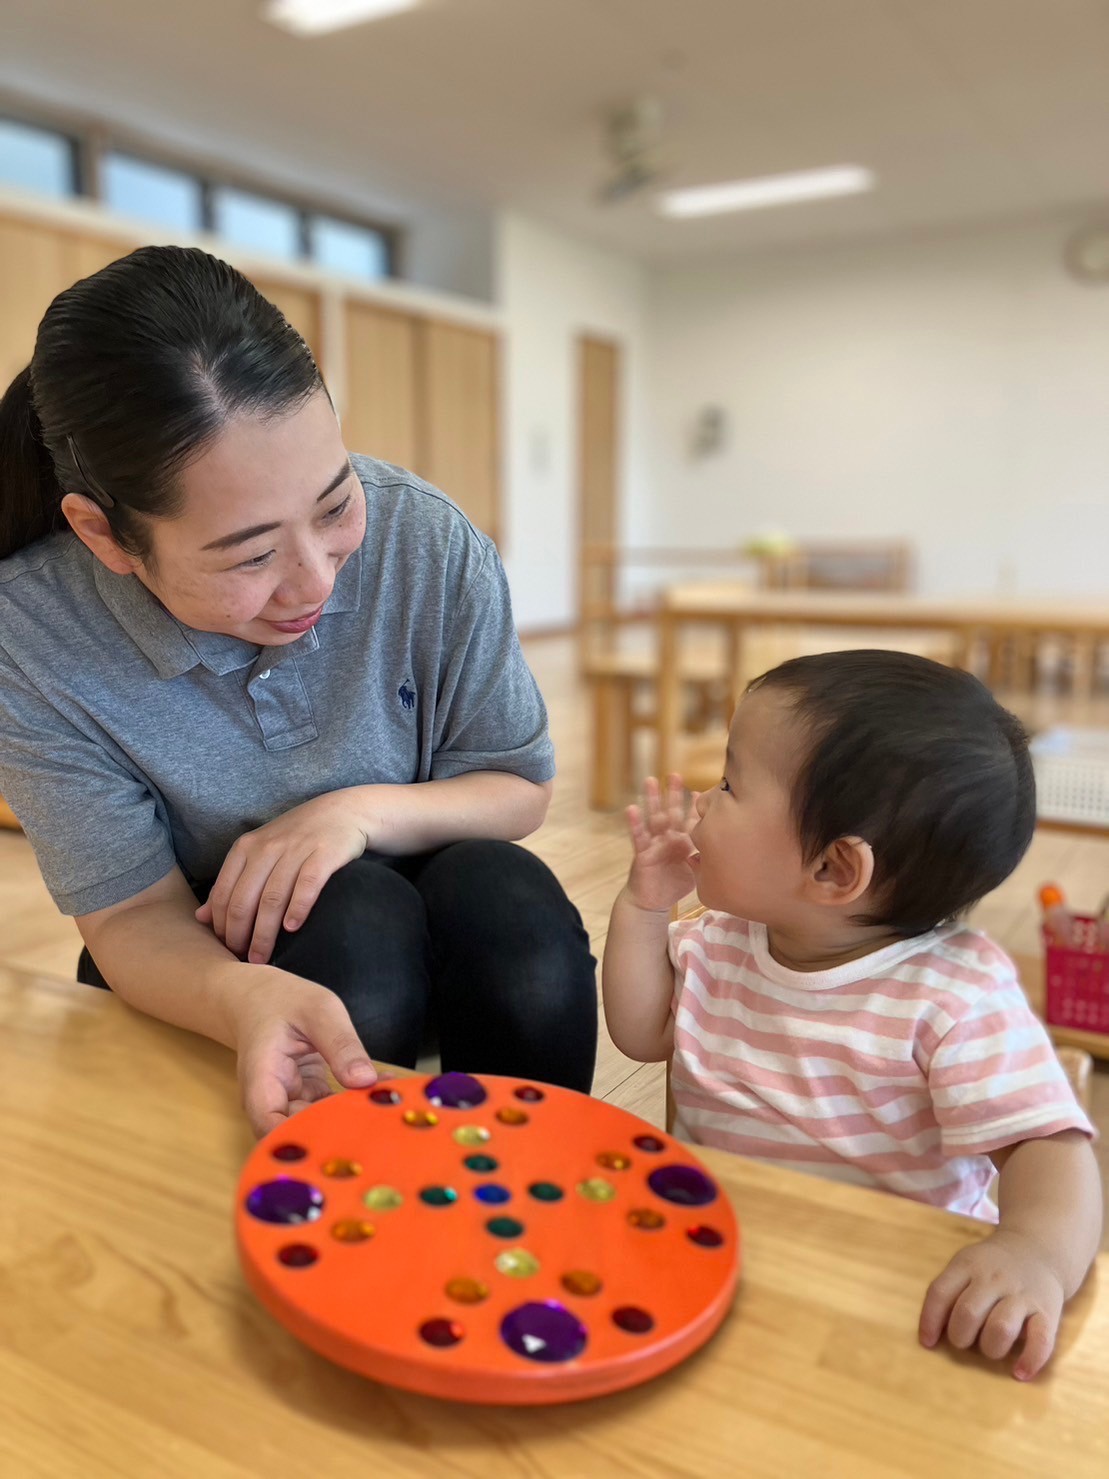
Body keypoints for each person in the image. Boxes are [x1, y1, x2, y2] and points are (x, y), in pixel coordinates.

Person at [0, 244, 596, 1137]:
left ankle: (544, 1191)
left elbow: (518, 786)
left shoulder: (423, 539)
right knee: (353, 933)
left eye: (334, 502)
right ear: (104, 535)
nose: (315, 580)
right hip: (207, 947)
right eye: (249, 555)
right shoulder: (34, 634)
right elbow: (130, 915)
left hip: (435, 880)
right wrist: (241, 998)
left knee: (520, 916)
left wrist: (351, 814)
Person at [602, 650, 1101, 1380]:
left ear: (834, 869)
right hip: (717, 1260)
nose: (704, 801)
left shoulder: (953, 996)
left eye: (731, 783)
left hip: (886, 1298)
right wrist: (643, 908)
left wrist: (1031, 1252)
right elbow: (640, 1032)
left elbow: (1048, 1149)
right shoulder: (722, 936)